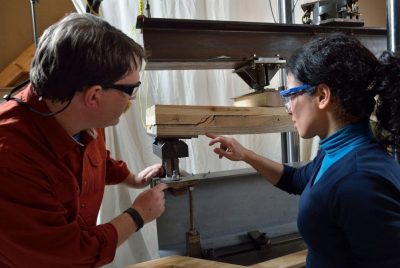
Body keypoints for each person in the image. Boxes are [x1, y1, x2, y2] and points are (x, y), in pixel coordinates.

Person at [207, 33, 400, 268]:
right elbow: (297, 179)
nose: (288, 108)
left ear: (321, 95)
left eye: (290, 95)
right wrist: (245, 154)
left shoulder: (359, 180)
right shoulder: (335, 153)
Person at [0, 13, 168, 267]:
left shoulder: (77, 113)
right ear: (94, 96)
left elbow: (97, 159)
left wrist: (133, 179)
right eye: (131, 90)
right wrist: (138, 214)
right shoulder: (11, 158)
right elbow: (67, 255)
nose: (132, 100)